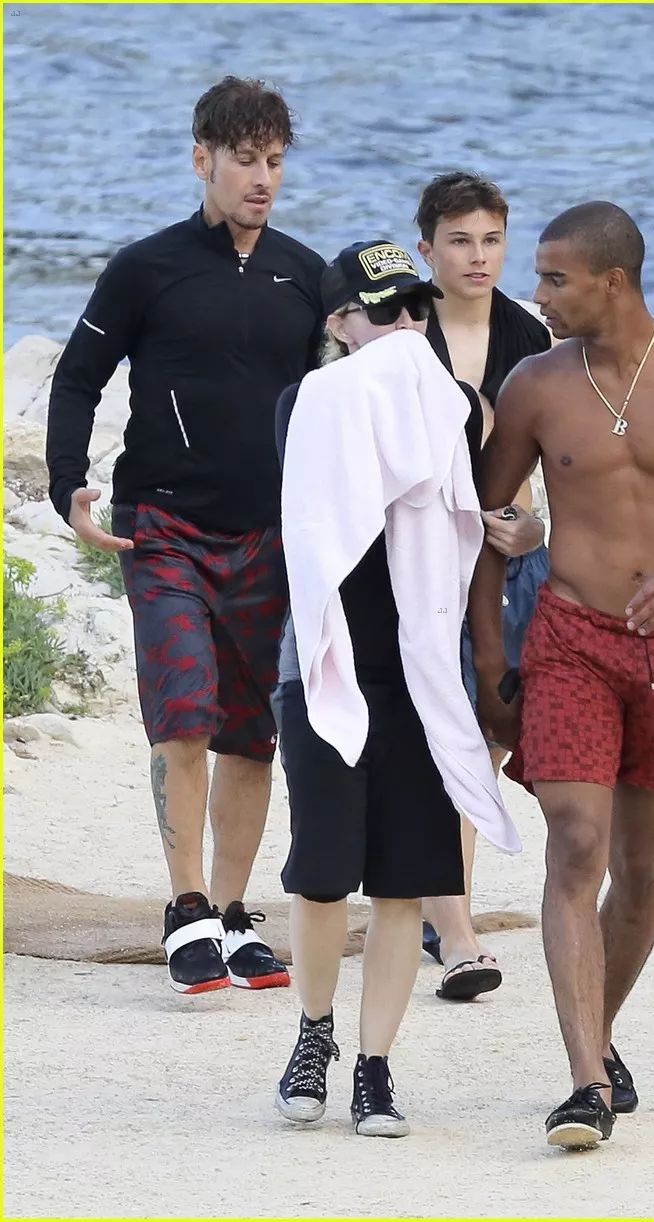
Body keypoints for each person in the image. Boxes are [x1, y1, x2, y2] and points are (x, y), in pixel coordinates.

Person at [468, 201, 654, 1149]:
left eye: (554, 278)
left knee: (640, 866)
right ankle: (585, 1084)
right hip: (569, 639)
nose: (537, 293)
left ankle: (598, 1036)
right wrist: (488, 656)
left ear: (613, 281)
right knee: (574, 842)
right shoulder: (533, 385)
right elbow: (479, 526)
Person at [45, 76, 326, 995]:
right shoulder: (145, 268)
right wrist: (67, 485)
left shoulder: (305, 275)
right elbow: (77, 378)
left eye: (274, 160)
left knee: (252, 733)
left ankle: (236, 915)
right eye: (244, 160)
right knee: (184, 712)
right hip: (161, 525)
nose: (262, 178)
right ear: (202, 158)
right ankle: (187, 906)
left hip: (269, 535)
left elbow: (344, 400)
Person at [272, 241, 519, 1138]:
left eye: (417, 308)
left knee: (406, 881)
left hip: (419, 673)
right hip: (325, 664)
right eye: (383, 311)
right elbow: (336, 488)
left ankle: (374, 1066)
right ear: (339, 324)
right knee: (322, 874)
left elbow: (477, 498)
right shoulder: (307, 402)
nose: (406, 325)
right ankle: (313, 1033)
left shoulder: (447, 405)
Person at [414, 171, 552, 1001]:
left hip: (509, 561)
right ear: (425, 246)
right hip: (422, 561)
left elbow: (549, 457)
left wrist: (533, 532)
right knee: (447, 740)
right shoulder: (401, 327)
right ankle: (458, 934)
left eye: (492, 240)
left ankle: (441, 909)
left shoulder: (530, 335)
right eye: (460, 240)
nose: (478, 256)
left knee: (490, 738)